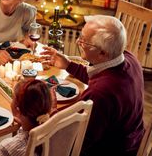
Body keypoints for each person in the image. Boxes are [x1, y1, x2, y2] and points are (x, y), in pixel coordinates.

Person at [41, 15, 145, 156]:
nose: (78, 41)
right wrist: (68, 65)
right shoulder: (129, 58)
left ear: (102, 52)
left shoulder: (100, 94)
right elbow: (102, 76)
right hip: (133, 139)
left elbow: (71, 140)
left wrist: (52, 111)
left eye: (84, 41)